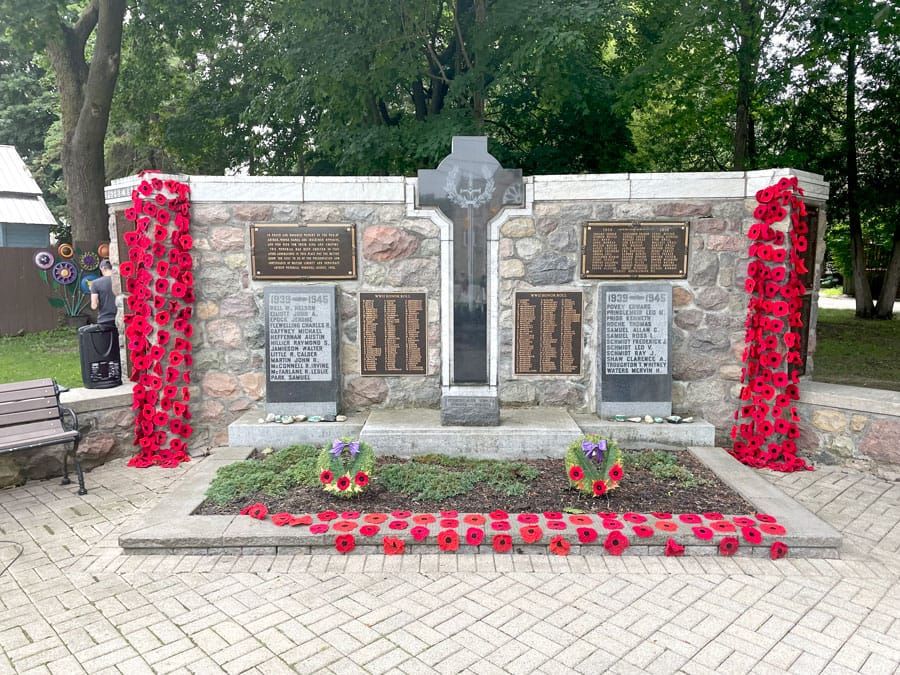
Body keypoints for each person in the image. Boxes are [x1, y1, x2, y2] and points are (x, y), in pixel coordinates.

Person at [90, 259, 117, 327]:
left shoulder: (95, 283)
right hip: (121, 317)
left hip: (105, 320)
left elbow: (94, 306)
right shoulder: (120, 281)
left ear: (103, 268)